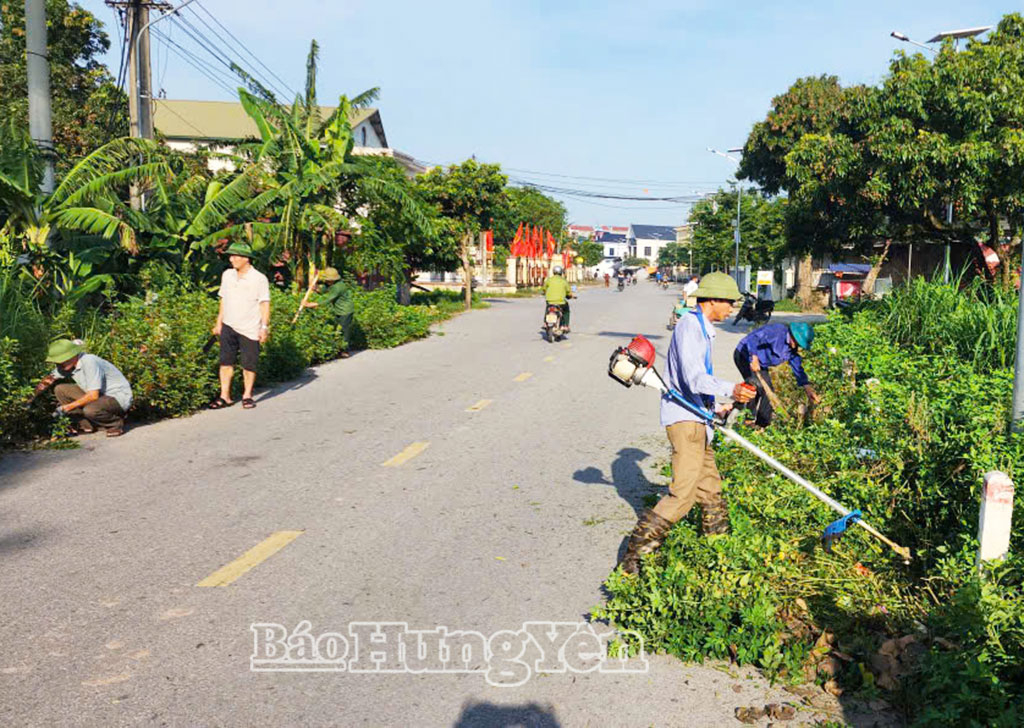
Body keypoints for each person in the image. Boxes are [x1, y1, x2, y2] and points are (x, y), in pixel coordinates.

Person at [619, 272, 754, 575]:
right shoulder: (691, 328)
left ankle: (719, 549)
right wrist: (731, 388)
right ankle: (633, 559)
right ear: (713, 301)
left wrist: (717, 408)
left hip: (697, 419)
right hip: (686, 423)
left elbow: (690, 383)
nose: (731, 309)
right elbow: (694, 379)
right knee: (683, 494)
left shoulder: (701, 327)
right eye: (729, 303)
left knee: (709, 487)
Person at [209, 242, 271, 410]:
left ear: (246, 259)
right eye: (231, 256)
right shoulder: (227, 275)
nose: (232, 259)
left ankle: (247, 395)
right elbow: (223, 300)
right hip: (229, 324)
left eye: (235, 256)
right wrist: (218, 322)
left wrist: (264, 327)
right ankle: (225, 396)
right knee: (225, 362)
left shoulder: (259, 278)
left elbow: (264, 304)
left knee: (249, 364)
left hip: (250, 327)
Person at [32, 339, 133, 437]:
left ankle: (115, 424)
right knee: (60, 389)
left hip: (117, 397)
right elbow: (48, 380)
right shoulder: (66, 366)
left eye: (61, 361)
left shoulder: (89, 361)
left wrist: (67, 407)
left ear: (72, 356)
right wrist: (30, 398)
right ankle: (87, 425)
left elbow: (93, 396)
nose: (58, 365)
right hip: (99, 397)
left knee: (90, 410)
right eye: (56, 362)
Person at [733, 322, 820, 427]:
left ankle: (762, 424)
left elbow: (798, 369)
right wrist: (754, 357)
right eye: (798, 343)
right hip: (745, 354)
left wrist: (808, 388)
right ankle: (745, 418)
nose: (798, 347)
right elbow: (753, 339)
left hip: (761, 364)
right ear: (794, 336)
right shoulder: (776, 331)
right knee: (756, 386)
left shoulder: (792, 350)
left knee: (768, 391)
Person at [301, 267, 355, 358]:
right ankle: (337, 348)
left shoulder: (338, 287)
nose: (327, 282)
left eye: (328, 280)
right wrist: (315, 288)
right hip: (338, 310)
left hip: (345, 311)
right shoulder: (331, 284)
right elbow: (324, 291)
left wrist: (312, 304)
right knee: (337, 330)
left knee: (344, 331)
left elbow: (328, 299)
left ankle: (345, 351)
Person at [543, 265, 573, 332]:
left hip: (550, 301)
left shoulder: (549, 280)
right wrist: (570, 296)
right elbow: (568, 292)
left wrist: (544, 292)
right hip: (561, 302)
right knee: (566, 311)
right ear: (561, 272)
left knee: (548, 309)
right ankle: (565, 325)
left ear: (553, 272)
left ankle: (545, 323)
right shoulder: (564, 281)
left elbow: (544, 289)